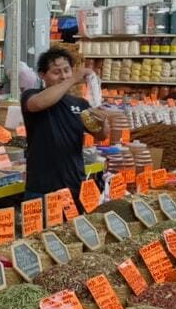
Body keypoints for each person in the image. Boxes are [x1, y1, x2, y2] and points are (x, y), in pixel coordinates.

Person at [20, 47, 110, 203]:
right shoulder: (32, 95)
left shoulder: (80, 103)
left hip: (74, 184)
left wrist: (102, 122)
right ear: (42, 75)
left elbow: (101, 135)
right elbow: (38, 103)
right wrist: (73, 79)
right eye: (56, 72)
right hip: (43, 189)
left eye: (67, 70)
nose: (63, 76)